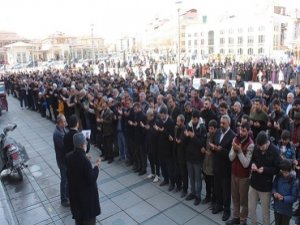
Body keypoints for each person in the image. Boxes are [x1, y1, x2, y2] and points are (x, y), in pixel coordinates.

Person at [66, 132, 101, 225]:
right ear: (82, 145)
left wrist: (85, 158)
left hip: (76, 198)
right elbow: (91, 179)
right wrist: (96, 167)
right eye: (85, 143)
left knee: (79, 221)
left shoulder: (69, 157)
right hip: (86, 201)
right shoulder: (85, 161)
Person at [248, 131, 281, 225]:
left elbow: (277, 170)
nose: (260, 148)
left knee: (265, 212)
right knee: (251, 208)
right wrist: (253, 164)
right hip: (254, 183)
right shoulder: (256, 147)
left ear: (267, 143)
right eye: (258, 146)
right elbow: (252, 159)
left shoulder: (275, 151)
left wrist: (265, 170)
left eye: (262, 147)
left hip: (265, 187)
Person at [227, 122, 254, 225]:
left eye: (244, 131)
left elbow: (246, 164)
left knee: (243, 201)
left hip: (244, 177)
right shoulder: (235, 139)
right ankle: (236, 217)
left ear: (248, 131)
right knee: (234, 197)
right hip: (234, 173)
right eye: (240, 130)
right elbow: (230, 158)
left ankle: (243, 220)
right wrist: (234, 150)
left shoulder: (251, 144)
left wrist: (239, 151)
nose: (241, 132)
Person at [211, 115, 235, 221]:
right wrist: (213, 148)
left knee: (226, 191)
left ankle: (226, 210)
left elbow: (232, 154)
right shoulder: (217, 132)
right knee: (217, 188)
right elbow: (214, 144)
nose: (221, 125)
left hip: (226, 168)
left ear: (228, 123)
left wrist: (221, 150)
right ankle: (219, 205)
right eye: (220, 123)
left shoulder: (232, 135)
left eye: (223, 123)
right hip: (216, 166)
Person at [272, 160, 298, 225]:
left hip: (286, 210)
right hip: (277, 207)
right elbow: (273, 186)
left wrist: (283, 198)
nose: (284, 174)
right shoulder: (279, 176)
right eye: (283, 172)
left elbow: (294, 197)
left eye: (286, 172)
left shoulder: (294, 180)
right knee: (277, 223)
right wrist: (274, 193)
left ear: (290, 170)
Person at [53, 114, 69, 207]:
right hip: (62, 160)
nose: (65, 122)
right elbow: (63, 147)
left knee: (67, 178)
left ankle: (67, 195)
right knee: (64, 180)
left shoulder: (62, 129)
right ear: (60, 122)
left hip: (64, 159)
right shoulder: (57, 134)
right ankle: (63, 199)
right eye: (64, 121)